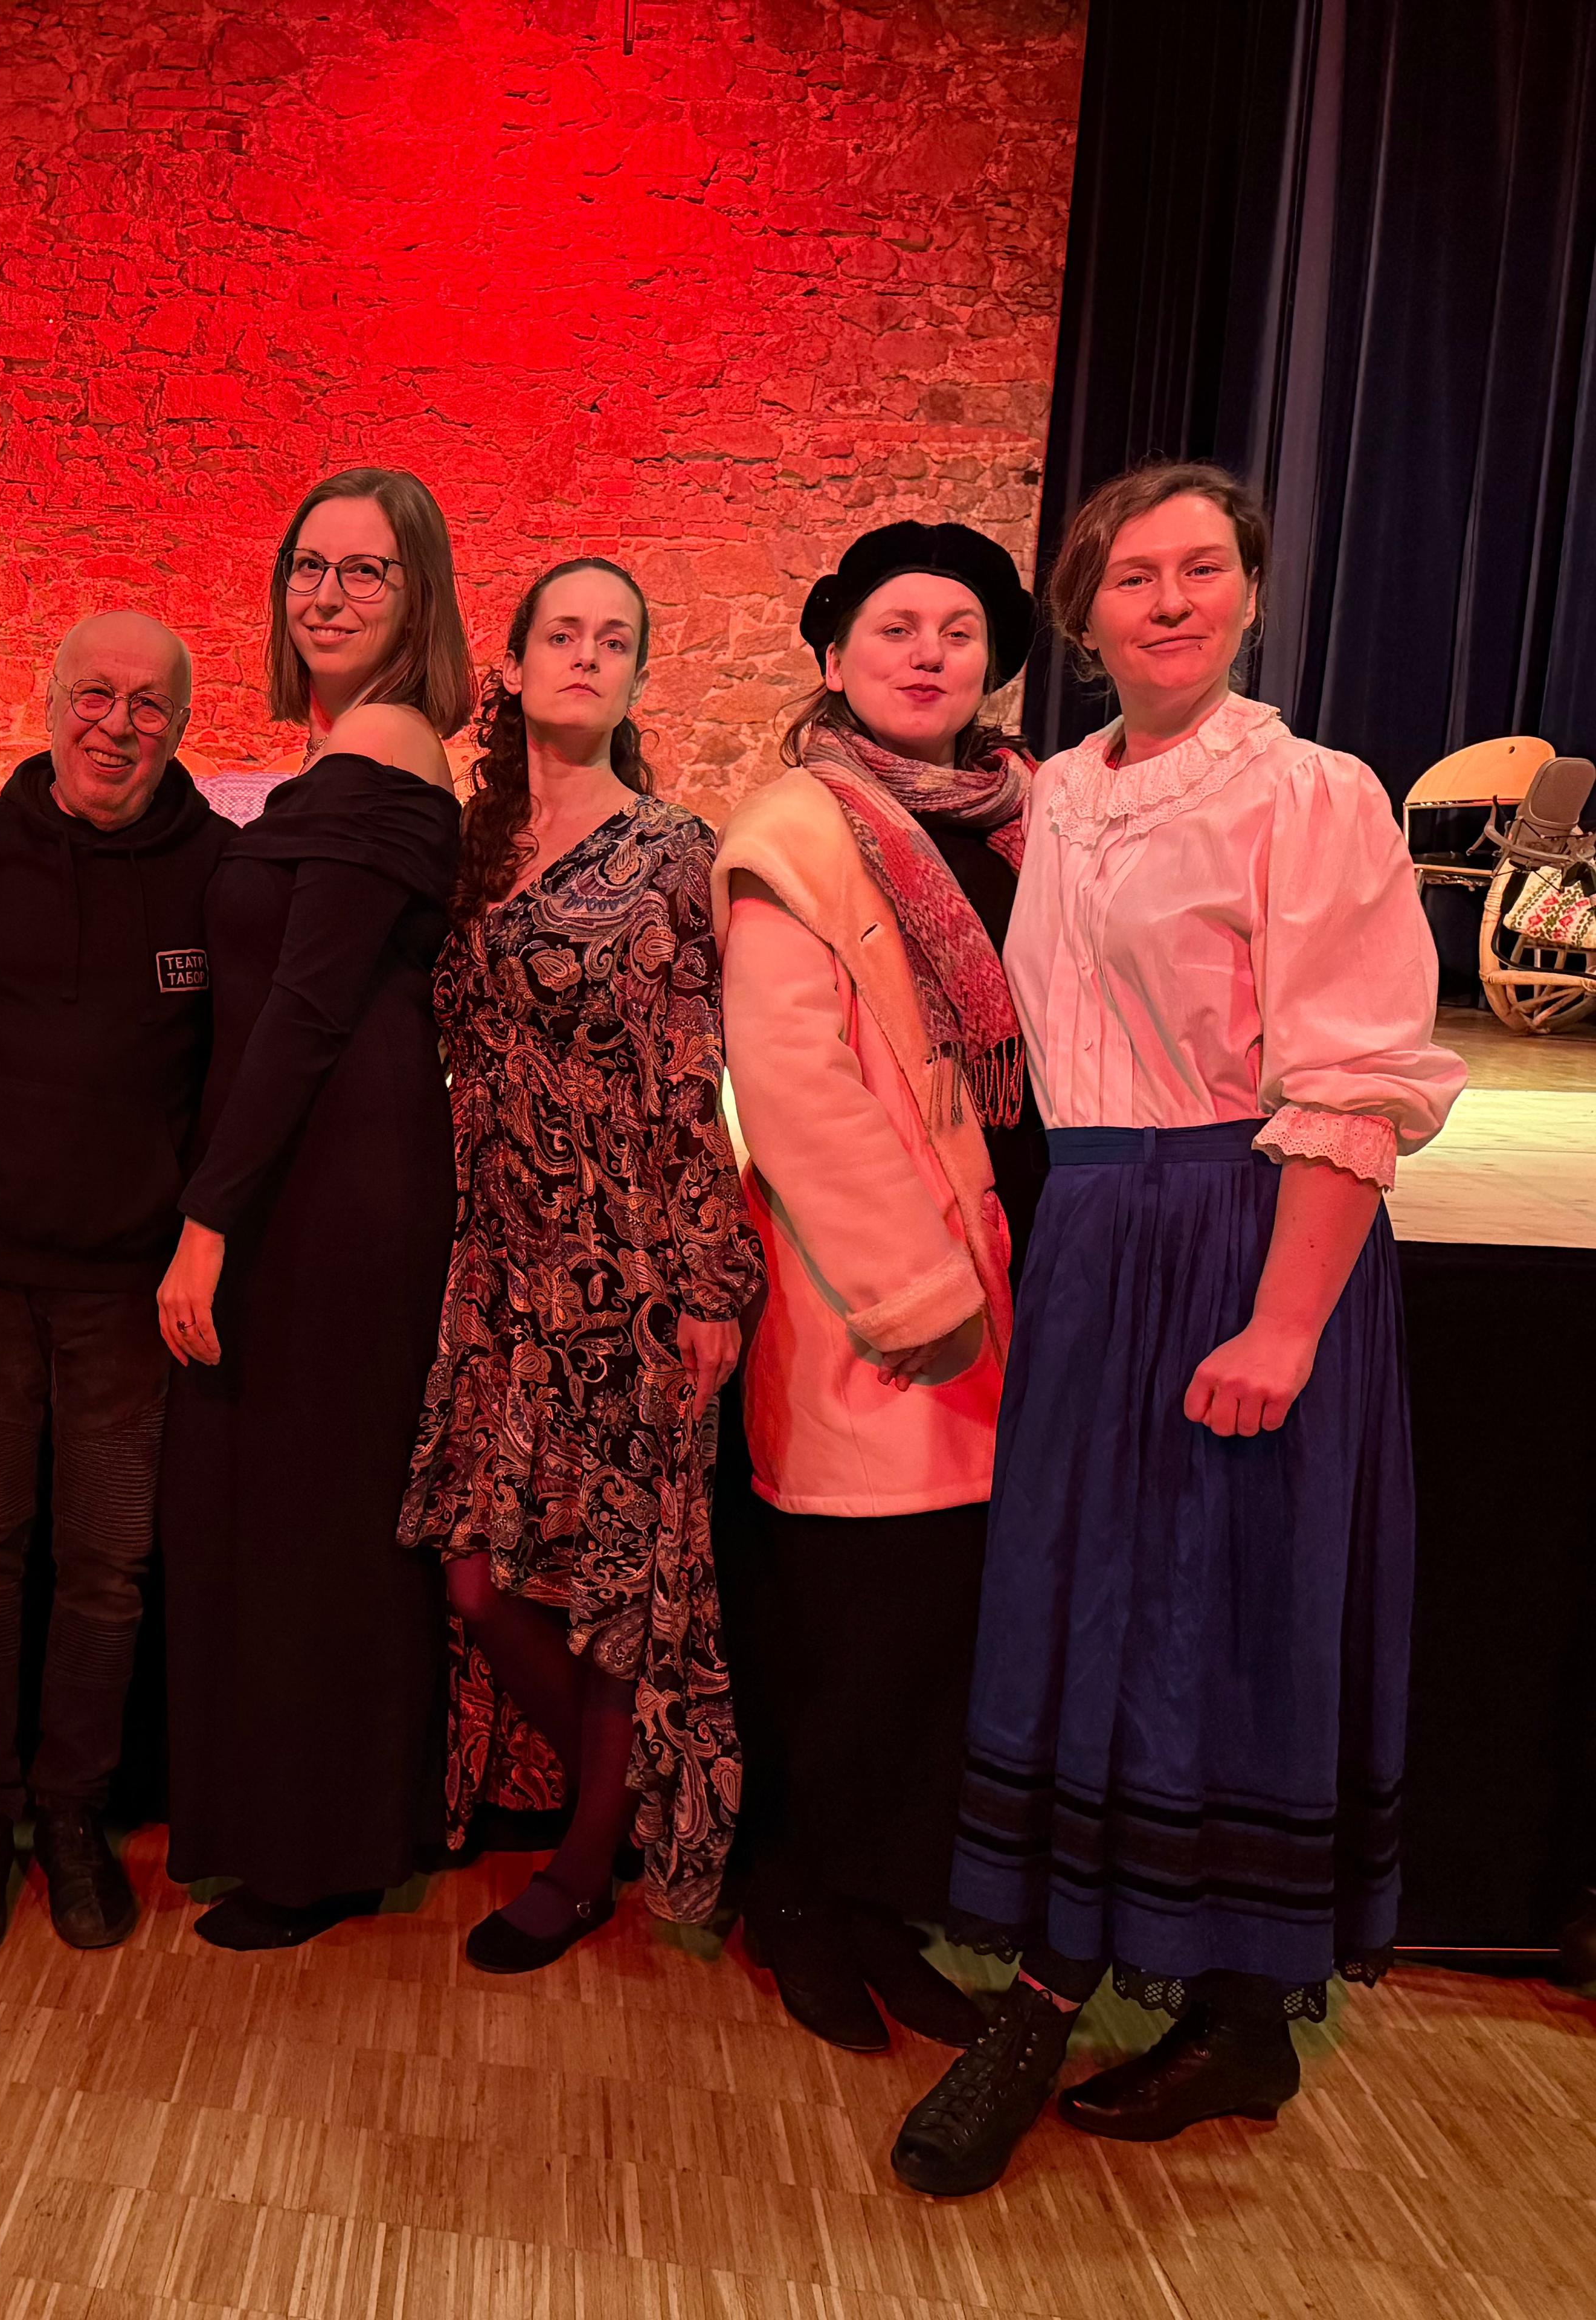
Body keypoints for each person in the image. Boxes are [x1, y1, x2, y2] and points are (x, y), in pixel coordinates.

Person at [889, 463, 1465, 2197]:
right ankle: (1196, 2003)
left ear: (1251, 594)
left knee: (1217, 1611)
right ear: (1083, 615)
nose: (1170, 601)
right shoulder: (1058, 795)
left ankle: (1086, 2004)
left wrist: (1284, 1325)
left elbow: (1352, 1075)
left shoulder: (1310, 794)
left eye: (1202, 569)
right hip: (1095, 1234)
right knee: (1092, 1608)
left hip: (1243, 1226)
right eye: (1133, 576)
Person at [709, 521, 1048, 2053]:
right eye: (896, 627)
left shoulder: (1030, 817)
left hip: (1025, 1263)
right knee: (853, 1623)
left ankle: (881, 1907)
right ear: (835, 651)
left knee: (937, 1628)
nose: (928, 654)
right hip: (885, 1293)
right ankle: (797, 1903)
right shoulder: (799, 825)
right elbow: (795, 1086)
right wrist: (919, 1292)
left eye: (958, 631)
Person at [396, 558, 758, 1970]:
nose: (586, 656)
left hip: (631, 1264)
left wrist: (710, 1283)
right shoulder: (468, 847)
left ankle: (589, 1854)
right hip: (494, 1263)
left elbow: (692, 1076)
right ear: (513, 662)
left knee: (610, 1583)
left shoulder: (670, 852)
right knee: (477, 1576)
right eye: (562, 634)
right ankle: (642, 1797)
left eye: (615, 640)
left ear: (637, 677)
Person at [156, 468, 466, 1951]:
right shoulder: (337, 750)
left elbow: (309, 1005)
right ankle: (290, 1827)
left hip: (334, 1180)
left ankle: (324, 1849)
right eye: (309, 566)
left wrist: (208, 1219)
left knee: (316, 1514)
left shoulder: (389, 743)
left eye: (366, 572)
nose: (328, 595)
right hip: (308, 1162)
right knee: (284, 1505)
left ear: (418, 601)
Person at [0, 609, 224, 1956]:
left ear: (182, 727)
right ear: (47, 702)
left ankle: (72, 1814)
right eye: (94, 694)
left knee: (106, 1566)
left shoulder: (220, 873)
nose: (117, 726)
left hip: (131, 1293)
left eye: (148, 705)